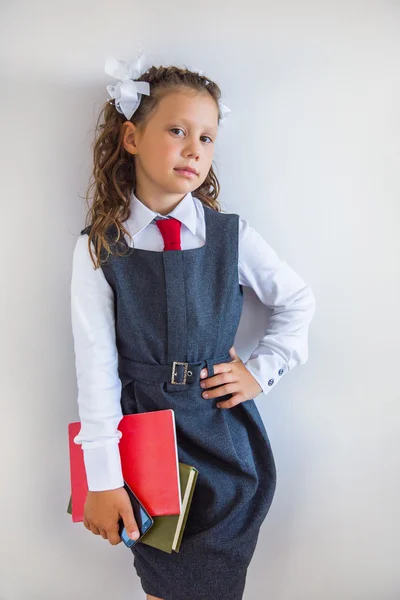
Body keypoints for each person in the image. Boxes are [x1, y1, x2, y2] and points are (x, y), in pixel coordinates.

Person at [70, 49, 316, 600]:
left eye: (206, 138)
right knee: (164, 582)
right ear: (132, 137)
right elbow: (95, 367)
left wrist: (261, 370)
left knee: (217, 581)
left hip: (224, 436)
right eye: (177, 129)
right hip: (146, 442)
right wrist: (103, 478)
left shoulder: (230, 236)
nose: (193, 149)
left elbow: (296, 300)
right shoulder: (100, 247)